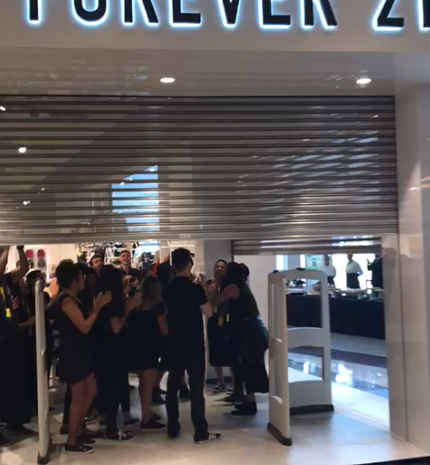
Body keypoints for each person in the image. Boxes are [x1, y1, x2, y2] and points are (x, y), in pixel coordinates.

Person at [162, 248, 221, 443]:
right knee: (196, 389)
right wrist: (205, 291)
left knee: (173, 386)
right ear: (189, 265)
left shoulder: (167, 289)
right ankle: (200, 431)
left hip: (174, 342)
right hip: (194, 342)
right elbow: (209, 312)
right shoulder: (195, 289)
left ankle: (172, 427)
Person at [55, 260, 111, 454]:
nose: (84, 279)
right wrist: (97, 309)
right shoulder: (67, 301)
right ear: (74, 280)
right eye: (81, 276)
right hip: (73, 353)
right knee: (78, 397)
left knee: (91, 390)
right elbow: (84, 327)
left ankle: (78, 430)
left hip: (80, 350)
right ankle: (72, 440)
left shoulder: (72, 298)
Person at [210, 262, 268, 416]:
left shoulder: (233, 287)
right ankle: (247, 400)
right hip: (251, 329)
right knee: (246, 365)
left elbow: (214, 301)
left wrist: (216, 284)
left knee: (248, 365)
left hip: (249, 331)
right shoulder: (241, 287)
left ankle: (250, 402)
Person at [99, 265, 140, 442]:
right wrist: (128, 310)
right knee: (114, 389)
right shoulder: (113, 301)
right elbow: (116, 327)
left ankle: (111, 425)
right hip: (114, 349)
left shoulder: (102, 297)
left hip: (104, 348)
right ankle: (112, 428)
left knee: (109, 387)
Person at [128, 276, 167, 431]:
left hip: (135, 346)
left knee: (142, 382)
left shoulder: (135, 304)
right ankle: (146, 417)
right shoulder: (158, 306)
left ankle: (147, 412)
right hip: (151, 347)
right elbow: (164, 330)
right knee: (148, 384)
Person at [206, 260, 231, 393]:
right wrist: (214, 287)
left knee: (230, 351)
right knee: (215, 352)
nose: (219, 269)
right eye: (217, 266)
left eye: (222, 267)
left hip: (227, 320)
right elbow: (209, 301)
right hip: (213, 320)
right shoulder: (210, 284)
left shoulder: (229, 285)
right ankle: (221, 381)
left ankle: (234, 382)